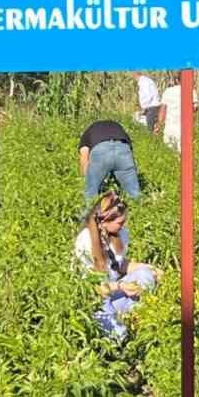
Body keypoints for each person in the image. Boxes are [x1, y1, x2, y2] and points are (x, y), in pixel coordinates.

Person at [74, 192, 159, 338]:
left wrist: (152, 269)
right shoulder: (85, 241)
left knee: (146, 273)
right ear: (104, 221)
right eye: (119, 223)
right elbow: (89, 288)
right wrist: (120, 287)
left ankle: (134, 315)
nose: (123, 226)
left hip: (114, 291)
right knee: (119, 335)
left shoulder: (118, 234)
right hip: (96, 299)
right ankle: (121, 325)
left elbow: (119, 265)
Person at [79, 118, 142, 200]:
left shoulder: (87, 132)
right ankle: (138, 210)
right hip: (122, 148)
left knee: (90, 195)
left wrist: (87, 179)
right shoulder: (118, 126)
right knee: (135, 194)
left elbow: (84, 157)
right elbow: (129, 150)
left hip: (100, 150)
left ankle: (91, 211)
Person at [161, 80, 199, 152]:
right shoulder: (191, 91)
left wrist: (159, 125)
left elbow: (162, 110)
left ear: (176, 80)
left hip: (169, 128)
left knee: (168, 155)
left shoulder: (168, 91)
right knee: (183, 154)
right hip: (184, 129)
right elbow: (194, 109)